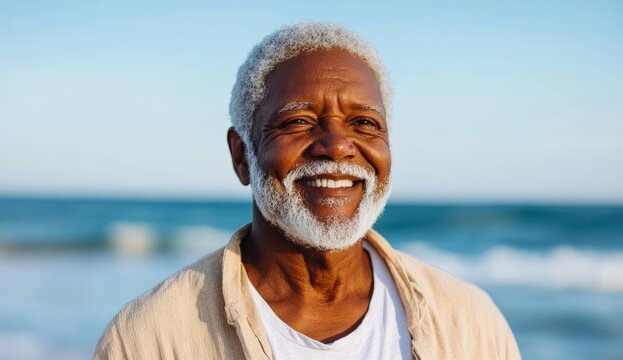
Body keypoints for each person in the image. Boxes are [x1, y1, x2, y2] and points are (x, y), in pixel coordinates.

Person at [94, 22, 521, 360]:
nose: (337, 145)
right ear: (242, 156)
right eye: (297, 121)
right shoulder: (148, 338)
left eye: (364, 123)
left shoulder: (471, 321)